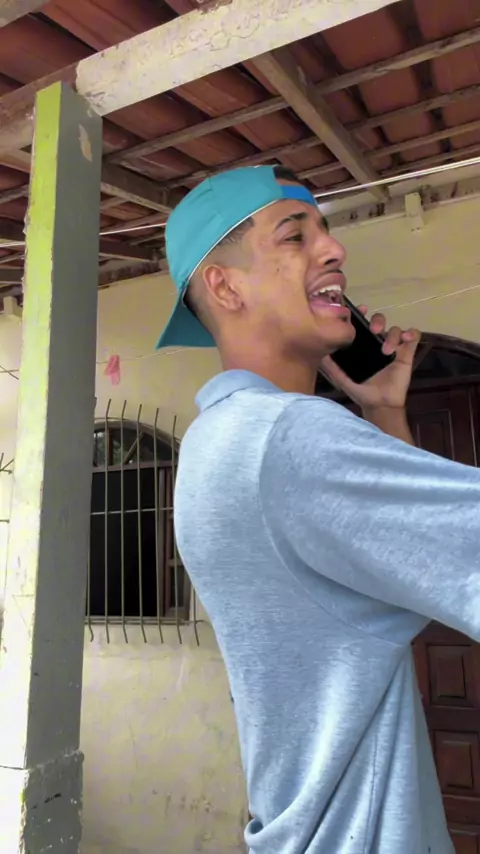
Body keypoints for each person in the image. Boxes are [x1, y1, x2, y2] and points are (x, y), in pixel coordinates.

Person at [155, 165, 480, 854]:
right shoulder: (288, 437)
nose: (334, 249)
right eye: (294, 236)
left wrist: (384, 413)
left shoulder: (217, 439)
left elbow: (402, 569)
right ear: (226, 286)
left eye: (325, 231)